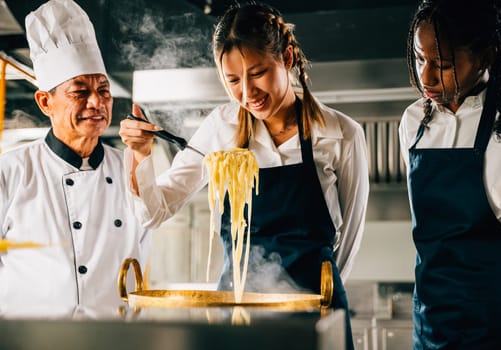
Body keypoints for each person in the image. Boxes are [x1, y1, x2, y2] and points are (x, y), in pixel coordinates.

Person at [120, 3, 368, 349]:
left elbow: (350, 239)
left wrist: (315, 302)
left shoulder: (340, 133)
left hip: (316, 312)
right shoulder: (221, 128)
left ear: (288, 57)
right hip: (238, 315)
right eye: (233, 80)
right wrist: (140, 155)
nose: (247, 94)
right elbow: (152, 212)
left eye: (258, 73)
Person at [0, 0, 150, 309]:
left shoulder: (130, 167)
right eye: (79, 91)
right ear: (45, 102)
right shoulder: (10, 171)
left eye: (104, 90)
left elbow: (143, 257)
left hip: (113, 338)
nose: (96, 102)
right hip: (28, 339)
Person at [399, 0, 501, 348]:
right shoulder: (413, 124)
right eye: (420, 59)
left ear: (485, 56)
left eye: (443, 64)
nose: (425, 77)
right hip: (432, 324)